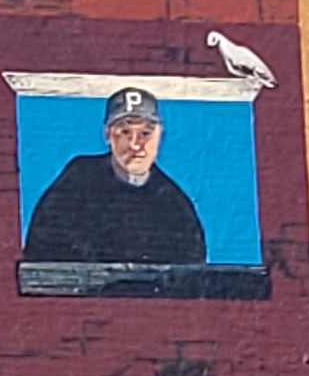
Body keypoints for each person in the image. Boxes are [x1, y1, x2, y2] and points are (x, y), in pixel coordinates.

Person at [21, 86, 205, 271]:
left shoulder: (174, 205)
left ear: (159, 135)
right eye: (125, 132)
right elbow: (41, 253)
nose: (135, 145)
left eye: (145, 134)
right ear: (108, 135)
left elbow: (191, 273)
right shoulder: (78, 182)